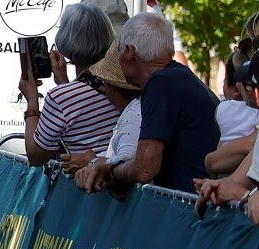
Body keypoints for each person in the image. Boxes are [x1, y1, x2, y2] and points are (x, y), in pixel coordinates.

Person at [74, 12, 217, 197]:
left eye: (119, 51)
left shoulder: (161, 83)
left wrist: (109, 169)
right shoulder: (177, 77)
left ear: (130, 52)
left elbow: (145, 169)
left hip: (191, 210)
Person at [19, 2, 120, 169]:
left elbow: (36, 156)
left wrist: (32, 100)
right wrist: (65, 83)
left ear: (65, 38)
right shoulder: (123, 86)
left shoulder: (59, 98)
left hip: (83, 187)